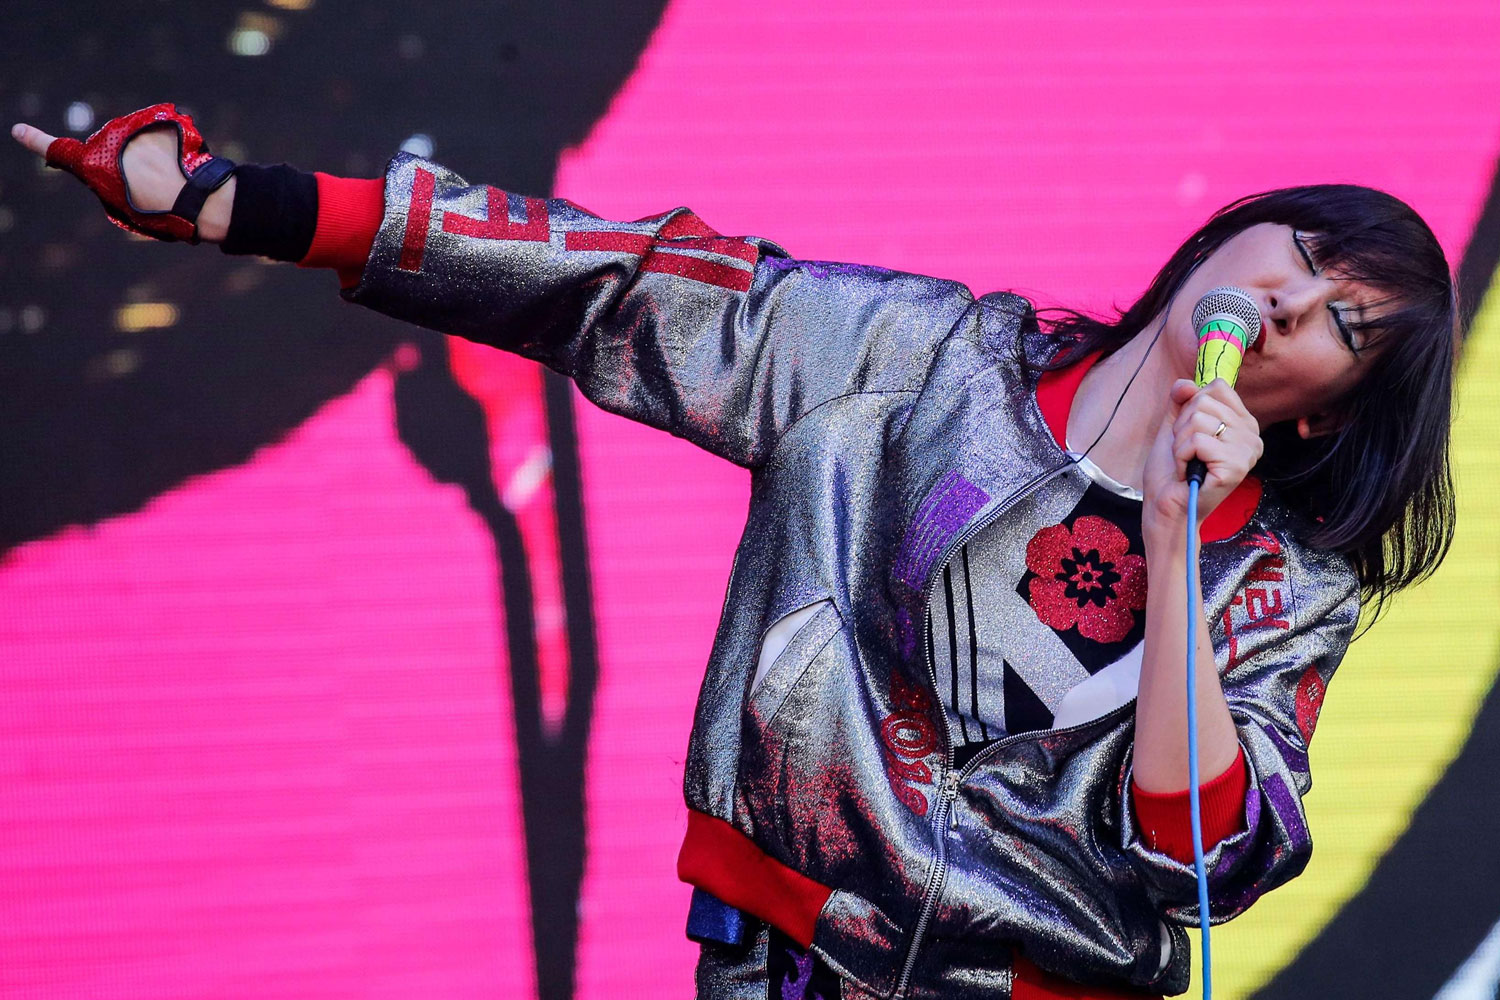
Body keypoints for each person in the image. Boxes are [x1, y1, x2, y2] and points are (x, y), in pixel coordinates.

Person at [11, 105, 1456, 1000]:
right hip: (784, 955)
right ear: (1234, 236)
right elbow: (617, 279)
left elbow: (1203, 852)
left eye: (1342, 321)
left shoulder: (1286, 587)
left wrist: (1177, 545)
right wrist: (250, 205)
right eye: (1299, 252)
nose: (1289, 300)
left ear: (1333, 412)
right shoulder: (917, 361)